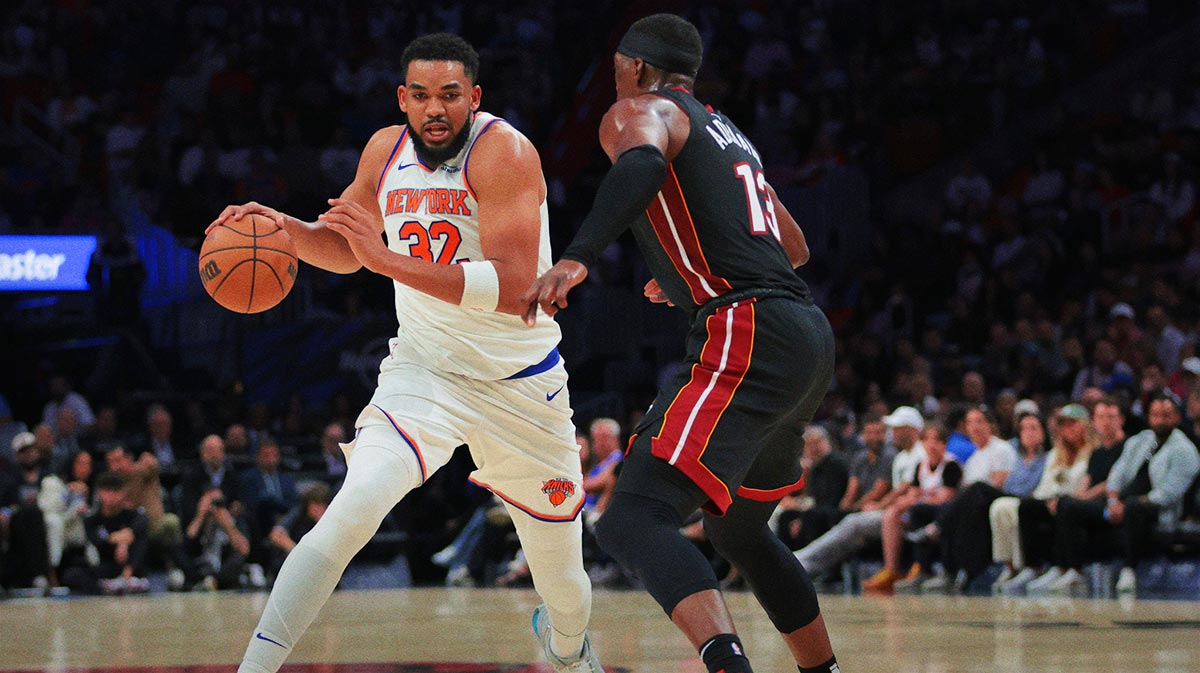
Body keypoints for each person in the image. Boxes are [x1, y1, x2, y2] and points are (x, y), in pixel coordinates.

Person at [207, 33, 602, 673]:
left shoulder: (504, 153)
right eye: (420, 95)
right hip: (425, 374)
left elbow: (511, 289)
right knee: (350, 511)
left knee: (564, 587)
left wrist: (386, 258)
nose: (434, 109)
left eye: (450, 95)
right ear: (402, 99)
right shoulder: (384, 151)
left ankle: (568, 651)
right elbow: (343, 247)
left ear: (474, 98)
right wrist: (284, 231)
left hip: (522, 385)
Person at [522, 14, 838, 673]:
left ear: (635, 68)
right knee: (738, 528)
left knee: (630, 518)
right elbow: (797, 246)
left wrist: (579, 256)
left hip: (748, 327)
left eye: (616, 71)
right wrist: (690, 266)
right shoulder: (731, 134)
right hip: (805, 333)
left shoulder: (641, 109)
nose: (616, 86)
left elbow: (639, 164)